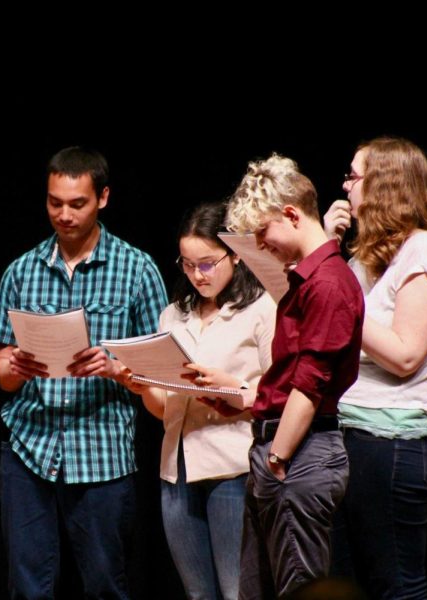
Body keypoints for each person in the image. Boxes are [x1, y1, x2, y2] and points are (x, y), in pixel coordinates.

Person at [0, 146, 167, 599]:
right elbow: (1, 369)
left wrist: (115, 369)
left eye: (77, 203)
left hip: (101, 449)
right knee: (27, 589)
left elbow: (161, 371)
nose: (64, 215)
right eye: (54, 202)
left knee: (105, 585)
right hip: (29, 447)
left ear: (102, 198)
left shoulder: (137, 269)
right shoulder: (21, 271)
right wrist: (14, 366)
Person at [225, 153, 364, 599]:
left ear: (290, 214)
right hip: (283, 452)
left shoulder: (327, 283)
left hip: (299, 454)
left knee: (299, 590)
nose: (262, 245)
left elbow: (310, 383)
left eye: (263, 233)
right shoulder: (311, 278)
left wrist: (278, 459)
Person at [325, 137, 427, 600]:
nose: (345, 186)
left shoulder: (426, 250)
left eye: (353, 175)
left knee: (395, 583)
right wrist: (327, 254)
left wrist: (332, 292)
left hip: (394, 443)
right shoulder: (366, 256)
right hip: (349, 433)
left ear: (384, 184)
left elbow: (404, 354)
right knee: (342, 580)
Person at [133, 202, 275, 599]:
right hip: (176, 469)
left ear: (234, 255)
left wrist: (231, 387)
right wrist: (142, 384)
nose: (198, 275)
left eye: (208, 263)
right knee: (198, 594)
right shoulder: (173, 316)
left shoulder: (261, 308)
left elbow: (280, 389)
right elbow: (163, 408)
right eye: (188, 264)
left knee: (236, 592)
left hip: (232, 466)